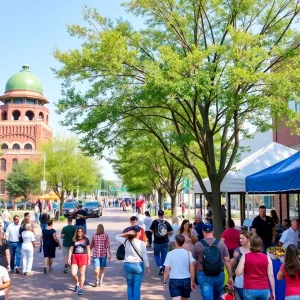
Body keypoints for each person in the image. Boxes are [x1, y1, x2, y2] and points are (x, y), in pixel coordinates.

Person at [192, 223, 233, 300]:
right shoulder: (221, 244)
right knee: (217, 297)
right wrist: (230, 276)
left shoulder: (198, 245)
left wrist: (192, 279)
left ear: (203, 231)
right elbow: (227, 260)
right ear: (213, 231)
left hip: (204, 275)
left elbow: (193, 262)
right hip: (219, 274)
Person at [236, 235, 275, 300]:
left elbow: (238, 273)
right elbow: (271, 275)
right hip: (264, 289)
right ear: (261, 245)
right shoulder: (267, 258)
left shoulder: (245, 256)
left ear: (250, 244)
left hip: (250, 288)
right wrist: (273, 292)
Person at [116, 226, 150, 300]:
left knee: (129, 285)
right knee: (136, 287)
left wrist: (126, 233)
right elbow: (145, 257)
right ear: (139, 233)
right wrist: (147, 267)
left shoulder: (126, 241)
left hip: (128, 265)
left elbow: (117, 236)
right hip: (138, 265)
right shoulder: (141, 243)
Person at [163, 234, 196, 300]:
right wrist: (192, 280)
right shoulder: (188, 253)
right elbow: (192, 268)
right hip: (186, 279)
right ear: (183, 242)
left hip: (174, 280)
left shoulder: (170, 254)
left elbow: (166, 270)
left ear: (175, 241)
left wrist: (164, 281)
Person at [150, 210, 173, 275]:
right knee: (164, 256)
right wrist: (166, 233)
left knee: (156, 255)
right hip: (165, 241)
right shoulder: (166, 222)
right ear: (163, 215)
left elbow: (151, 230)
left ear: (158, 215)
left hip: (157, 242)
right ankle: (163, 269)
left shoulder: (155, 222)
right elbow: (171, 231)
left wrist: (155, 232)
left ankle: (160, 266)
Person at [68, 226, 91, 296]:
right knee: (73, 273)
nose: (80, 233)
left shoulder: (86, 239)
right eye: (78, 231)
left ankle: (81, 288)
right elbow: (71, 249)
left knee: (82, 273)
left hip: (83, 256)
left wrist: (89, 258)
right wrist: (69, 257)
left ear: (83, 232)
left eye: (81, 231)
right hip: (75, 256)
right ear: (77, 232)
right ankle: (77, 283)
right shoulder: (74, 239)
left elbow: (88, 249)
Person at [231, 230, 251, 300]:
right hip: (240, 279)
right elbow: (233, 266)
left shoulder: (254, 249)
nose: (240, 240)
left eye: (243, 238)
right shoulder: (237, 250)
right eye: (240, 238)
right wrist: (235, 258)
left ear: (248, 239)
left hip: (251, 279)